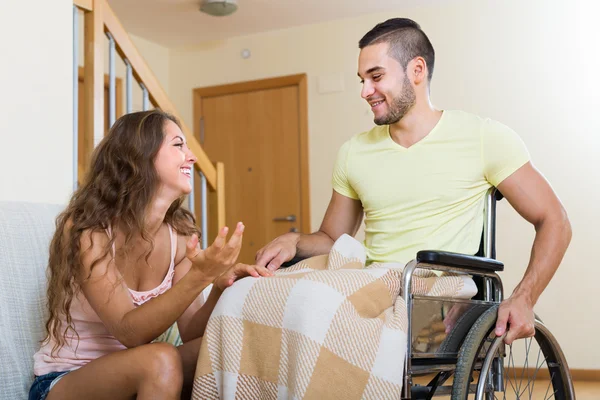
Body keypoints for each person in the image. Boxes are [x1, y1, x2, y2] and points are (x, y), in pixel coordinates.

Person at [255, 18, 571, 346]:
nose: (365, 91)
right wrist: (293, 241)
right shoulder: (353, 152)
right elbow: (332, 237)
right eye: (362, 80)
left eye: (376, 76)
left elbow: (555, 221)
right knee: (258, 294)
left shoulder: (483, 137)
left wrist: (524, 297)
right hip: (367, 287)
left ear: (416, 70)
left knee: (310, 305)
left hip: (433, 297)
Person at [29, 110, 272, 400]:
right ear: (140, 154)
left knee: (232, 342)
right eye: (179, 145)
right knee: (161, 360)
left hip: (143, 373)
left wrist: (218, 287)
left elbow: (192, 330)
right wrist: (200, 275)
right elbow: (128, 332)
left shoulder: (179, 235)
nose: (191, 157)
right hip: (67, 381)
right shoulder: (88, 231)